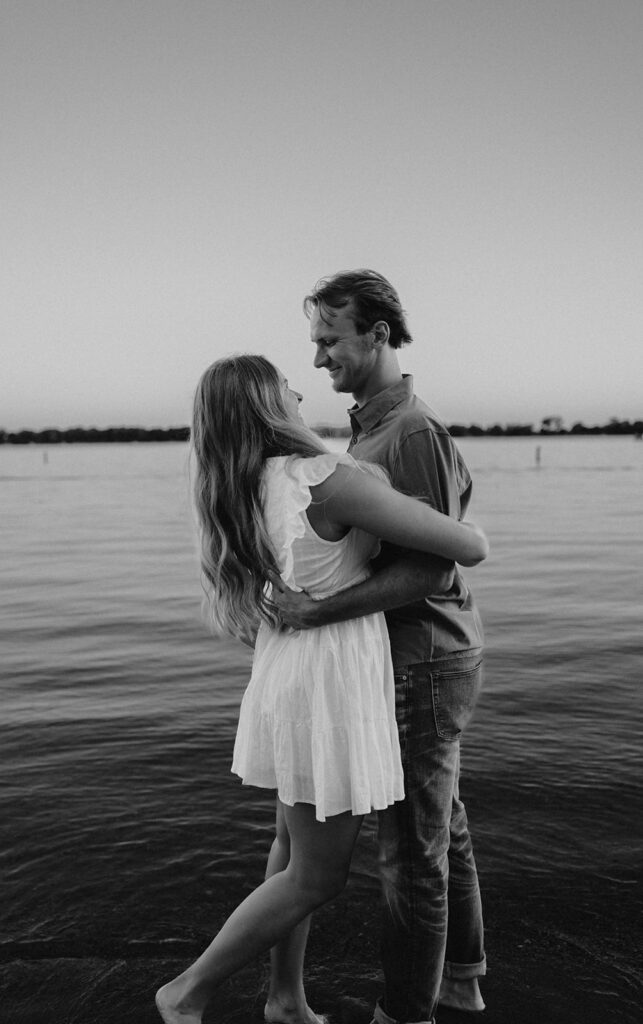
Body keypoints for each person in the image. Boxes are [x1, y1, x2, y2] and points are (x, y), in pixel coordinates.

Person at [155, 354, 488, 1024]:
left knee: (288, 848)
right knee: (316, 875)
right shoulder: (324, 481)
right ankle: (186, 992)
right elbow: (466, 546)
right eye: (284, 383)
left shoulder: (241, 484)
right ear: (266, 403)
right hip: (329, 685)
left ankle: (285, 1000)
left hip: (286, 675)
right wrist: (452, 515)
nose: (300, 386)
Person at [270, 270, 487, 1024]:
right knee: (442, 827)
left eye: (329, 339)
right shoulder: (368, 427)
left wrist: (318, 610)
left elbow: (432, 567)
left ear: (378, 334)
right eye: (315, 342)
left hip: (423, 658)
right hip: (413, 657)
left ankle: (405, 1015)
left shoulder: (411, 432)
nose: (319, 357)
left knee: (410, 856)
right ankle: (461, 977)